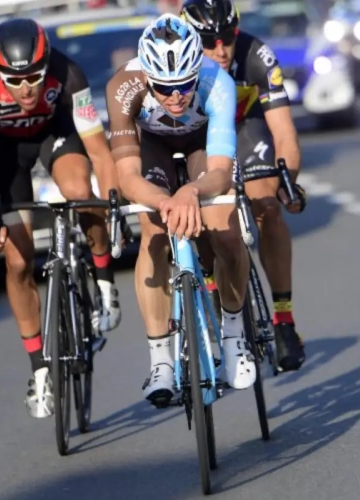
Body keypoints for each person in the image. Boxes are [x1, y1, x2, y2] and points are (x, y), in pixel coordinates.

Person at [0, 18, 121, 418]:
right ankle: (40, 369)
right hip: (4, 154)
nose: (26, 89)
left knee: (81, 192)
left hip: (56, 135)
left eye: (34, 77)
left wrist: (112, 201)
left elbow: (99, 152)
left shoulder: (68, 74)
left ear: (46, 65)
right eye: (14, 81)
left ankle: (102, 280)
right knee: (17, 262)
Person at [105, 13, 254, 407]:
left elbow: (220, 173)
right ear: (147, 77)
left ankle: (235, 335)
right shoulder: (124, 86)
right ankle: (161, 363)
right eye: (164, 88)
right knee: (154, 234)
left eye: (185, 86)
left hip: (202, 143)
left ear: (196, 72)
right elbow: (128, 176)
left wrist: (190, 190)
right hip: (151, 144)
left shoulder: (216, 82)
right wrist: (164, 200)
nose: (175, 97)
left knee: (223, 228)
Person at [180, 0, 307, 373]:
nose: (220, 50)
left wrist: (289, 182)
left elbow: (284, 131)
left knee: (267, 207)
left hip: (244, 128)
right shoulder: (178, 64)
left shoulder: (256, 55)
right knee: (205, 223)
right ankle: (218, 298)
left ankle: (284, 322)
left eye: (227, 38)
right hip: (200, 138)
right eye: (208, 42)